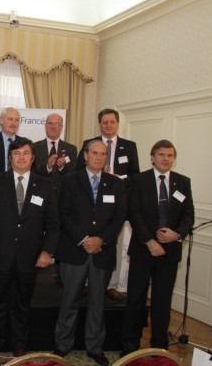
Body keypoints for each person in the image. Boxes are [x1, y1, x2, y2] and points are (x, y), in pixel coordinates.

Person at [0, 137, 59, 363]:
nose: (21, 157)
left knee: (22, 306)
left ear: (33, 157)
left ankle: (19, 346)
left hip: (29, 256)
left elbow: (53, 223)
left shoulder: (44, 185)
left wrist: (47, 251)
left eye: (26, 153)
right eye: (16, 153)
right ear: (10, 157)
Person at [53, 140, 127, 366]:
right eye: (94, 153)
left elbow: (119, 217)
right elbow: (64, 213)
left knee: (98, 303)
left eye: (103, 154)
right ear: (85, 155)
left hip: (102, 252)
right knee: (69, 301)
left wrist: (100, 240)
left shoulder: (116, 184)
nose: (98, 157)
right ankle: (62, 345)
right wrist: (84, 239)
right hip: (74, 250)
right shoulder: (70, 180)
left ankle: (95, 347)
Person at [121, 140, 194, 356]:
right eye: (161, 155)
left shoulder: (183, 182)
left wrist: (177, 234)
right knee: (136, 300)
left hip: (169, 253)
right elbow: (133, 212)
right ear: (152, 157)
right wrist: (150, 241)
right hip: (143, 250)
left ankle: (159, 348)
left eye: (169, 155)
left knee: (162, 303)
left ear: (174, 158)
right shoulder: (139, 180)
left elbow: (189, 215)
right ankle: (130, 346)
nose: (165, 159)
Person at [77, 109, 140, 301]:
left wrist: (120, 179)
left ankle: (112, 285)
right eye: (105, 122)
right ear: (100, 124)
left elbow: (135, 175)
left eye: (112, 122)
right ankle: (87, 283)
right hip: (91, 203)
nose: (108, 125)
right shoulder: (89, 143)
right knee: (89, 241)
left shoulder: (129, 146)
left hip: (116, 202)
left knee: (115, 244)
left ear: (117, 123)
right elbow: (78, 170)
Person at [32, 113, 77, 197]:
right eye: (50, 123)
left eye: (57, 124)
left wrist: (62, 167)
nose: (53, 127)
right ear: (45, 125)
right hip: (39, 193)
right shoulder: (34, 147)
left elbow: (73, 173)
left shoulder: (71, 149)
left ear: (61, 127)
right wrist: (48, 167)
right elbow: (32, 171)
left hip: (63, 194)